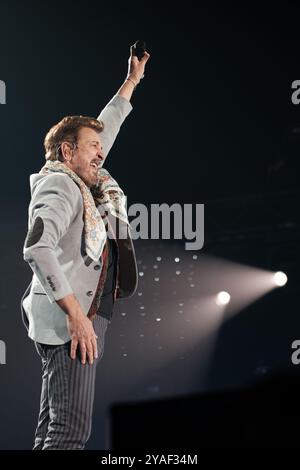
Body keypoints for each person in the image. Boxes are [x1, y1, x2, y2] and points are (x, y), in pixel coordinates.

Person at [20, 44, 150, 450]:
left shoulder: (81, 180)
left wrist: (131, 81)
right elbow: (38, 248)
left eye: (100, 146)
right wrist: (77, 316)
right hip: (72, 318)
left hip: (81, 314)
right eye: (92, 147)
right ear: (66, 151)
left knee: (53, 430)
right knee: (70, 433)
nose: (101, 152)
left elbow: (105, 127)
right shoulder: (59, 183)